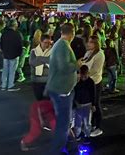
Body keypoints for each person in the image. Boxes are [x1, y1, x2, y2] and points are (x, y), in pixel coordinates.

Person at [44, 23, 79, 155]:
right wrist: (77, 64)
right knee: (63, 124)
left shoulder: (61, 44)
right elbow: (64, 67)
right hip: (61, 90)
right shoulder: (62, 46)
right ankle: (57, 150)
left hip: (63, 89)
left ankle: (70, 146)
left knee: (63, 121)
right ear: (72, 32)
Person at [81, 36, 105, 137]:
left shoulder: (99, 54)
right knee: (88, 105)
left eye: (90, 42)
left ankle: (98, 127)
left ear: (95, 44)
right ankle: (90, 124)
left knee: (95, 104)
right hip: (87, 82)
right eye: (88, 42)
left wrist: (83, 75)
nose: (88, 44)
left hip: (95, 82)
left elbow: (95, 70)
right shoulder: (88, 53)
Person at [73, 65, 95, 143]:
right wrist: (75, 103)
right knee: (77, 123)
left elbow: (93, 93)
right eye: (82, 76)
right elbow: (74, 93)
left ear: (88, 74)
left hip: (88, 104)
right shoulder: (77, 82)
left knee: (87, 122)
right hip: (78, 105)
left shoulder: (91, 82)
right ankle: (77, 135)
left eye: (85, 76)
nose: (83, 78)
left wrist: (93, 105)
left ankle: (87, 135)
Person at [0, 19, 23, 92]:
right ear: (15, 25)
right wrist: (19, 54)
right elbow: (20, 45)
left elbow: (1, 44)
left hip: (6, 54)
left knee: (5, 70)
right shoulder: (17, 34)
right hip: (14, 55)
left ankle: (3, 85)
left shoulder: (4, 33)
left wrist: (3, 51)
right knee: (12, 71)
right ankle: (10, 85)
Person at [29, 34, 53, 100]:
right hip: (36, 80)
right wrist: (45, 60)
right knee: (39, 100)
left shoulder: (52, 51)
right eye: (45, 43)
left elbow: (52, 62)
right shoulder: (34, 51)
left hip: (48, 81)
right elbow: (32, 63)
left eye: (49, 43)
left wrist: (39, 59)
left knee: (47, 101)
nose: (47, 45)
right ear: (41, 42)